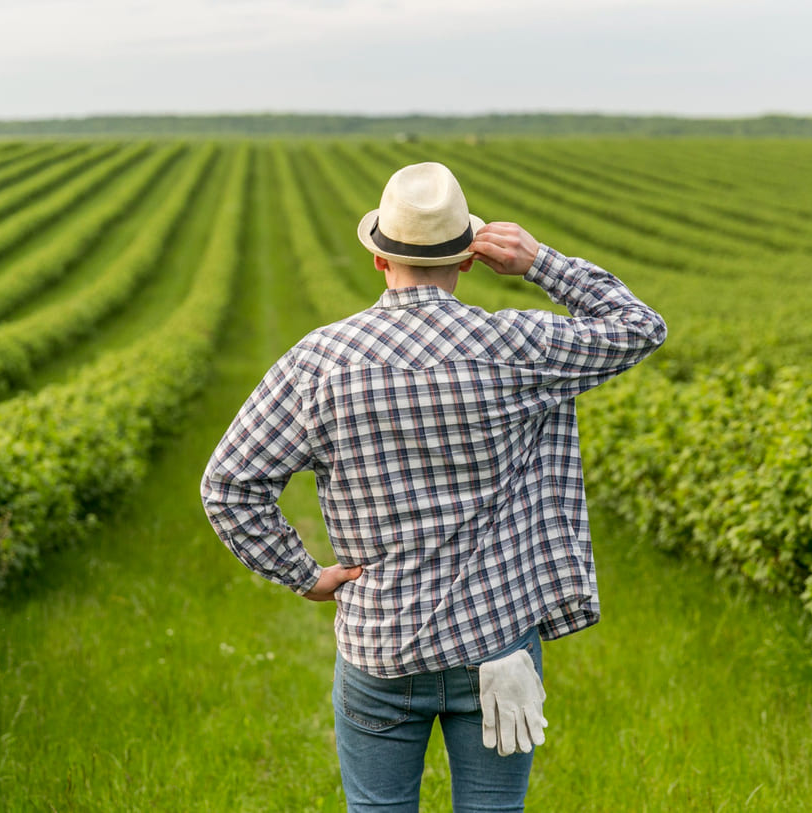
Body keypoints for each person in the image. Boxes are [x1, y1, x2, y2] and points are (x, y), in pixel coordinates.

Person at [202, 161, 666, 811]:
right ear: (470, 258)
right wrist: (540, 262)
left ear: (379, 260)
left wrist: (304, 573)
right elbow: (640, 326)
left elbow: (228, 486)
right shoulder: (515, 345)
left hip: (381, 644)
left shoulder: (320, 359)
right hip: (497, 645)